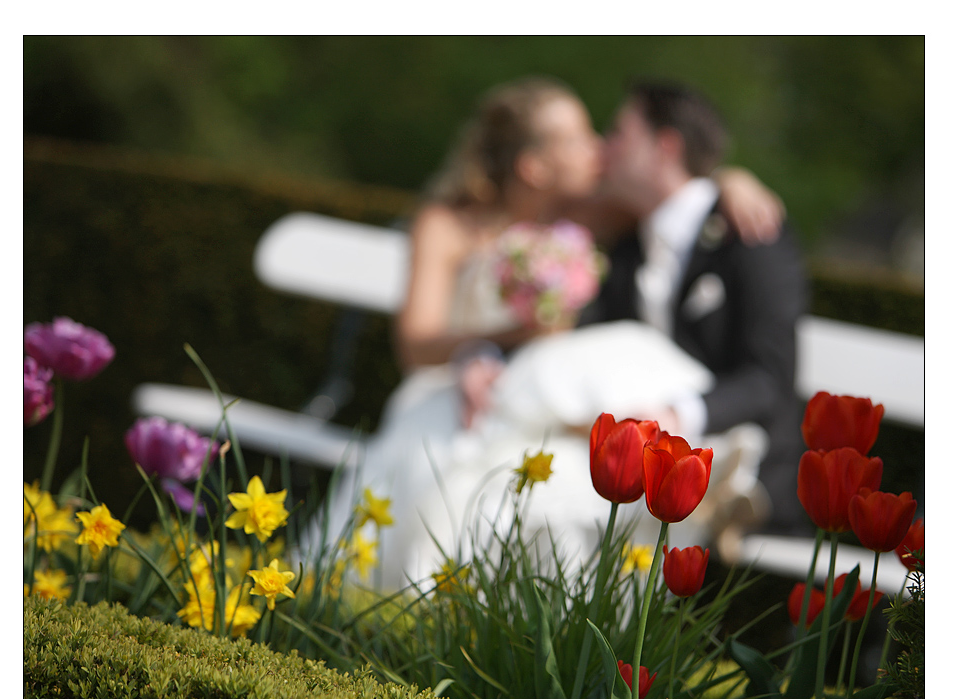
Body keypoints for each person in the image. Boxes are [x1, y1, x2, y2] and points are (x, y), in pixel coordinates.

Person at [310, 76, 789, 590]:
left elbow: (682, 190)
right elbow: (415, 345)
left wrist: (733, 181)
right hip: (462, 384)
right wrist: (491, 342)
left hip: (547, 398)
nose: (599, 147)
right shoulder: (449, 224)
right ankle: (403, 587)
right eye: (579, 137)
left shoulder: (595, 215)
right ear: (533, 165)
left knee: (533, 472)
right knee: (438, 459)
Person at [583, 79, 810, 543]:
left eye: (620, 133)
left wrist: (677, 415)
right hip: (641, 460)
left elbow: (770, 376)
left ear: (665, 147)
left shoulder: (749, 229)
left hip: (746, 462)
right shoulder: (625, 245)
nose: (606, 148)